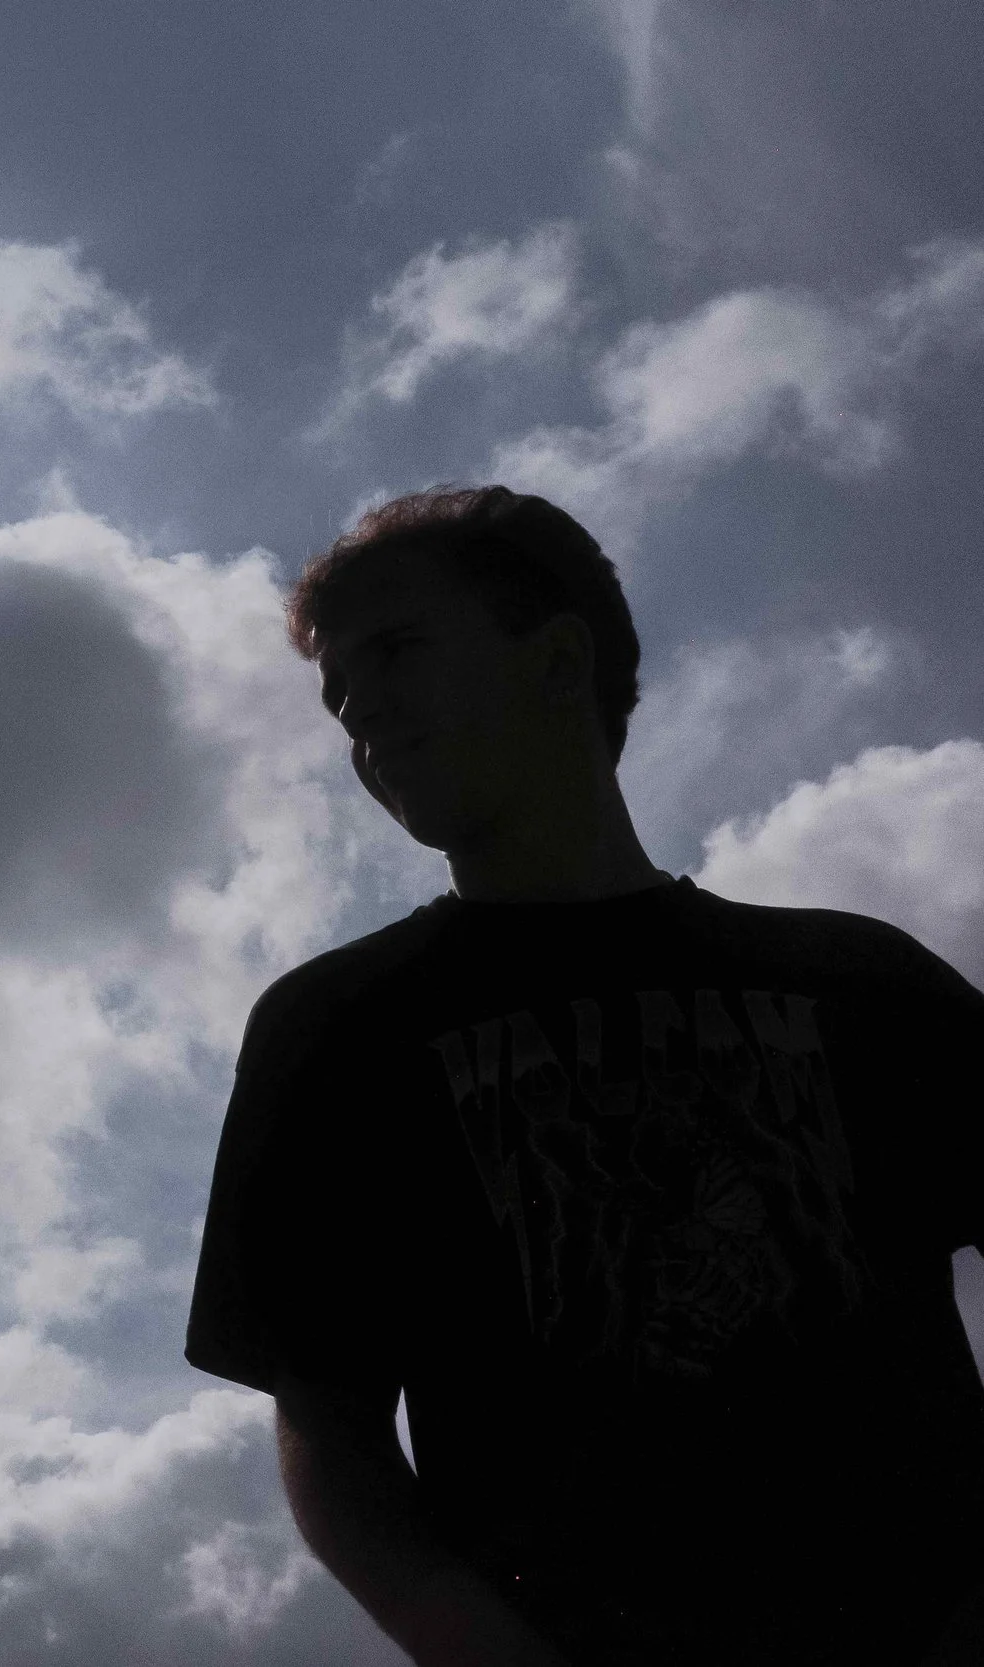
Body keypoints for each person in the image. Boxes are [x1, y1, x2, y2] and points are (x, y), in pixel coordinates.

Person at [184, 487, 984, 1665]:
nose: (357, 708)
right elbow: (328, 1415)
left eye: (394, 650)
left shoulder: (861, 978)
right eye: (335, 690)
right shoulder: (335, 1027)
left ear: (557, 661)